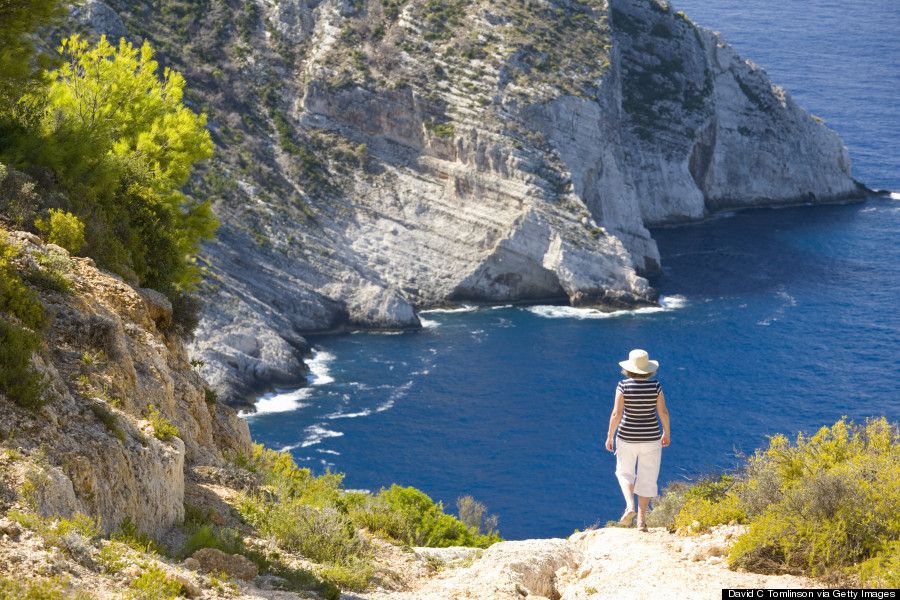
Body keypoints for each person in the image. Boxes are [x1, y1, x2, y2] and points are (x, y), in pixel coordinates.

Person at [604, 349, 670, 532]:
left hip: (626, 436)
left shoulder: (623, 385)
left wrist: (610, 435)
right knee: (647, 477)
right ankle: (641, 522)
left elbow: (616, 413)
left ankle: (629, 507)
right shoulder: (655, 386)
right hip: (652, 437)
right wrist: (667, 433)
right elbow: (662, 412)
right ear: (648, 369)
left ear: (629, 368)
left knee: (624, 472)